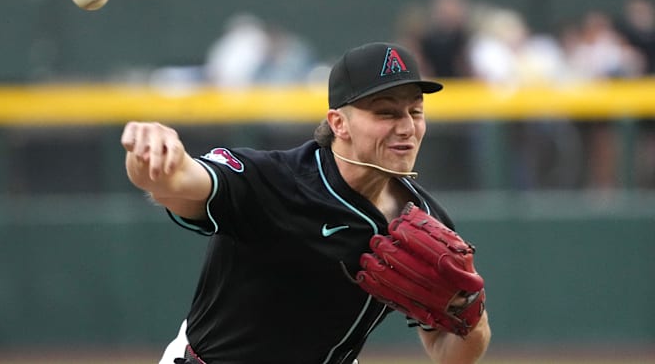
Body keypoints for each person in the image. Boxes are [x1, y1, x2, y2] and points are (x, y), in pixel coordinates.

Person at [121, 42, 492, 364]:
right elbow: (173, 183)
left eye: (415, 111)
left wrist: (468, 316)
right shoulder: (276, 181)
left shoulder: (425, 220)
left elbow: (447, 352)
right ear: (339, 123)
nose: (407, 127)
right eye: (386, 112)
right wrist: (151, 154)